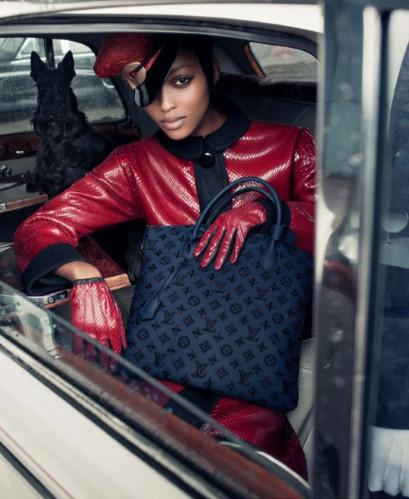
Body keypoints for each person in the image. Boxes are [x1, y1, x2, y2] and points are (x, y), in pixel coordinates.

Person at [14, 32, 316, 478]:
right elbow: (39, 227)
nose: (165, 107)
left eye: (181, 81)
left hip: (262, 352)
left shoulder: (288, 146)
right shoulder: (136, 163)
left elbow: (344, 229)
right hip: (171, 352)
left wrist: (268, 211)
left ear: (212, 73)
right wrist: (83, 274)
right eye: (146, 92)